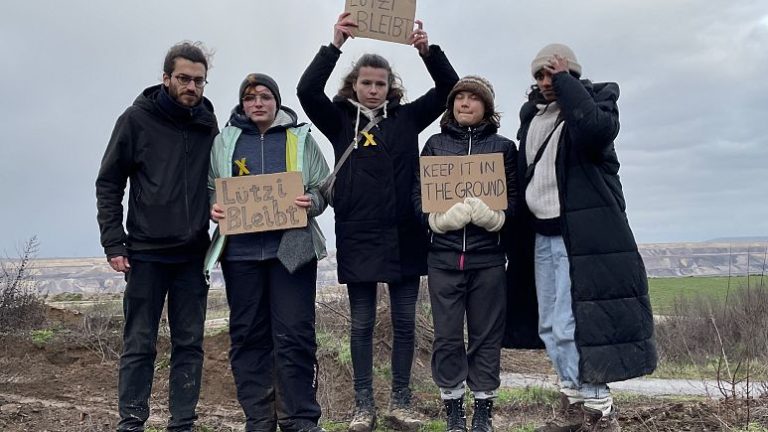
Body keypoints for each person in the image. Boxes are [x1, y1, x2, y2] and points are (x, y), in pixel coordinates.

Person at [297, 12, 459, 432]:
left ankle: (400, 402)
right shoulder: (336, 119)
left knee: (405, 324)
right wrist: (334, 45)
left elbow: (449, 89)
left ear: (390, 88)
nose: (372, 90)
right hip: (359, 233)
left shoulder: (407, 119)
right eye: (366, 83)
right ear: (354, 85)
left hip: (406, 234)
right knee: (363, 324)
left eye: (380, 84)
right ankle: (362, 406)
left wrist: (427, 51)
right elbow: (306, 90)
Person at [513, 44, 657, 432]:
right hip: (541, 237)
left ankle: (600, 412)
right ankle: (575, 406)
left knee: (572, 325)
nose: (545, 83)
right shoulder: (533, 117)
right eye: (540, 76)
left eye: (553, 74)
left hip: (581, 238)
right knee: (549, 325)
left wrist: (566, 83)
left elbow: (595, 132)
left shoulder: (597, 103)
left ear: (571, 75)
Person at [96, 41, 218, 432]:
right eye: (183, 78)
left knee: (190, 344)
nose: (191, 87)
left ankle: (182, 423)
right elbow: (109, 182)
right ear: (166, 78)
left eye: (198, 80)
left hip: (193, 254)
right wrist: (113, 242)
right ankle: (131, 422)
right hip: (145, 253)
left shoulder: (208, 124)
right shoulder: (135, 120)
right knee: (139, 343)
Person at [204, 73, 330, 432]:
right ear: (242, 104)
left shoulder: (300, 138)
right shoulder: (225, 141)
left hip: (291, 252)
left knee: (295, 336)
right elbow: (211, 187)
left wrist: (313, 201)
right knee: (247, 336)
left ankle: (300, 418)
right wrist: (214, 206)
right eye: (249, 97)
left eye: (264, 96)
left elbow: (324, 187)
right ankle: (259, 418)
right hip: (241, 255)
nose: (257, 102)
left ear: (276, 101)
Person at [412, 76, 517, 432]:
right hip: (443, 259)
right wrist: (435, 221)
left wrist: (496, 218)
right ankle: (453, 406)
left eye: (474, 98)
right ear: (451, 105)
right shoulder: (434, 146)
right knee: (447, 336)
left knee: (487, 335)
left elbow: (515, 202)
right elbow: (417, 197)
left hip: (487, 259)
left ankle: (484, 408)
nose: (465, 104)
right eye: (460, 98)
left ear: (487, 106)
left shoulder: (503, 148)